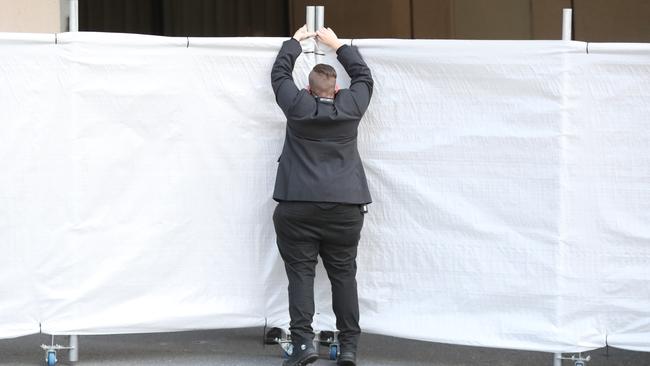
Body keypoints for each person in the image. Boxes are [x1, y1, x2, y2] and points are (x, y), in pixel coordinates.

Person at [270, 25, 373, 366]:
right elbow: (364, 77)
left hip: (297, 205)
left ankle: (303, 346)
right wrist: (339, 45)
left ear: (308, 90)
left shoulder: (298, 106)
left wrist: (296, 41)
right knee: (344, 276)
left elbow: (279, 73)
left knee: (301, 275)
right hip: (345, 207)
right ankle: (348, 348)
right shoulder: (351, 107)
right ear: (337, 89)